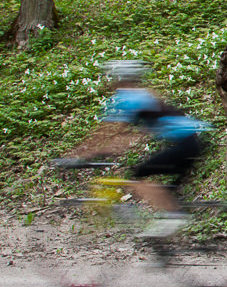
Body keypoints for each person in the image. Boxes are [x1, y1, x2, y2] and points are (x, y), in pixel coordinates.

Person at [62, 60, 211, 238]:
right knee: (166, 189)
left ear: (118, 79)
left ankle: (174, 216)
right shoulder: (143, 95)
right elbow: (130, 135)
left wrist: (81, 155)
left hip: (185, 144)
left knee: (139, 175)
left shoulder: (128, 98)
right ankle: (170, 224)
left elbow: (106, 134)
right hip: (192, 142)